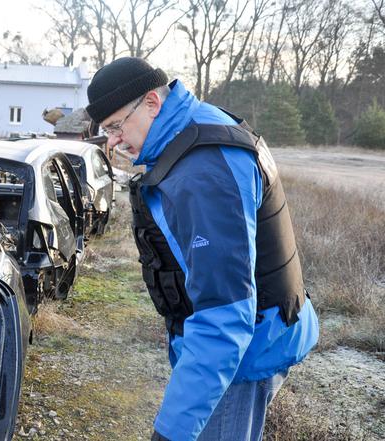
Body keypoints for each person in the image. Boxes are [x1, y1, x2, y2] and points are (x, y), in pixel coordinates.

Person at [85, 57, 319, 441]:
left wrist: (171, 432)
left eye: (114, 126)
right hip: (252, 340)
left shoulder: (205, 171)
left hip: (242, 357)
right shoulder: (194, 129)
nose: (111, 141)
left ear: (151, 104)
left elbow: (224, 318)